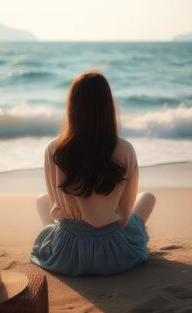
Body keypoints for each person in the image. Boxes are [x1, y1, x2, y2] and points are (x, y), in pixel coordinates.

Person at [31, 70, 156, 276]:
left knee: (42, 200)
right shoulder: (125, 149)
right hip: (113, 254)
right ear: (108, 107)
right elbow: (124, 215)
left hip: (67, 254)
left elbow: (57, 206)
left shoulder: (54, 149)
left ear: (72, 106)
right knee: (147, 198)